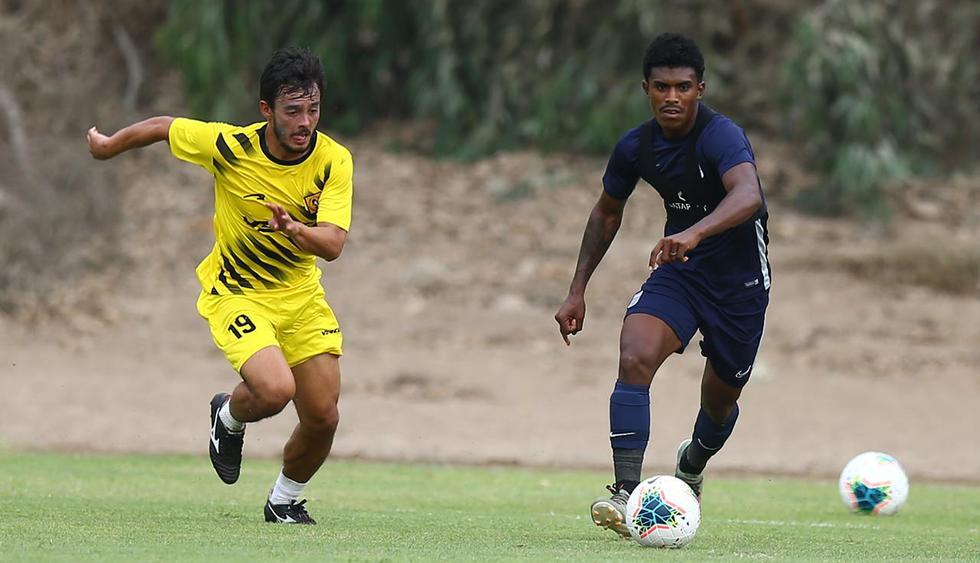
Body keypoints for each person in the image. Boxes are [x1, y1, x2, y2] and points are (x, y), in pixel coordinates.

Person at [87, 47, 353, 525]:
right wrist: (109, 146)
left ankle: (284, 501)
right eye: (292, 111)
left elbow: (332, 244)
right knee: (274, 390)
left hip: (301, 299)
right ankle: (228, 416)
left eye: (313, 109)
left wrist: (294, 229)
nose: (305, 122)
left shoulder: (334, 161)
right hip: (235, 293)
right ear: (266, 110)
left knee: (323, 417)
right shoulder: (230, 147)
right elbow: (163, 126)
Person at [554, 32, 770, 538]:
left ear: (700, 88)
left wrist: (691, 231)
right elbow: (607, 213)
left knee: (720, 400)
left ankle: (691, 464)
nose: (672, 97)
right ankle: (626, 495)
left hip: (739, 283)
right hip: (682, 272)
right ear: (646, 89)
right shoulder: (635, 146)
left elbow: (748, 196)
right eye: (661, 87)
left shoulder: (722, 136)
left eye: (683, 87)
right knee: (634, 353)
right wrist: (577, 288)